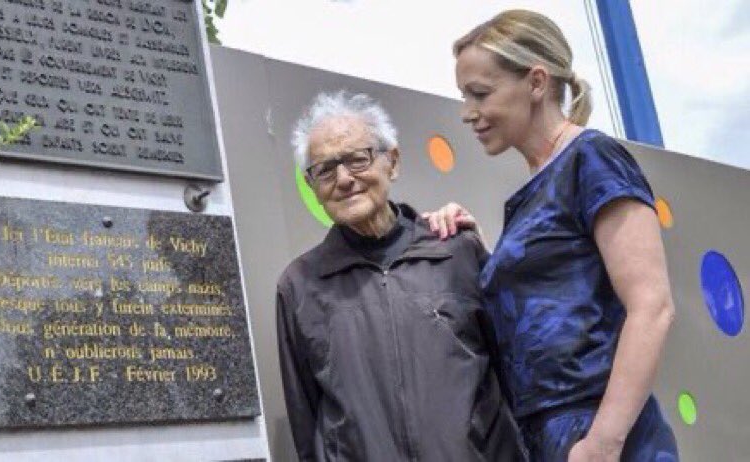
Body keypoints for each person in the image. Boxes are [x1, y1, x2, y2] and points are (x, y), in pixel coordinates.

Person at [423, 9, 679, 462]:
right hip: (545, 438)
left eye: (480, 94)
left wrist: (603, 444)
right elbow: (553, 291)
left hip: (599, 433)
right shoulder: (534, 191)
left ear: (537, 82)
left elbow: (652, 306)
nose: (468, 113)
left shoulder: (591, 159)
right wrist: (478, 242)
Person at [276, 90, 526, 461]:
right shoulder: (299, 286)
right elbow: (306, 419)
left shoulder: (457, 251)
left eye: (357, 159)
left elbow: (515, 372)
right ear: (312, 185)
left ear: (391, 162)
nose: (344, 179)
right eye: (325, 169)